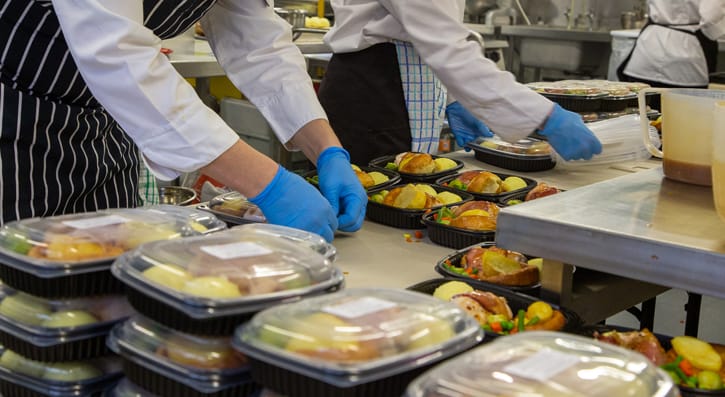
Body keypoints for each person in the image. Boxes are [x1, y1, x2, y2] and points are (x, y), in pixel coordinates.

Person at [0, 0, 367, 242]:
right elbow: (113, 50)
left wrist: (326, 150)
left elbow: (257, 43)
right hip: (11, 114)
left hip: (102, 118)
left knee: (109, 282)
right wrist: (270, 185)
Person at [317, 0, 602, 165]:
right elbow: (445, 45)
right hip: (375, 91)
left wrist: (454, 99)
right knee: (379, 224)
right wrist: (545, 117)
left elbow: (431, 33)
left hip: (399, 76)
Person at [618, 0, 725, 90]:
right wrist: (709, 35)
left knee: (643, 111)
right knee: (685, 112)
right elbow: (712, 16)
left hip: (646, 53)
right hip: (685, 59)